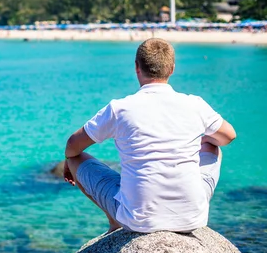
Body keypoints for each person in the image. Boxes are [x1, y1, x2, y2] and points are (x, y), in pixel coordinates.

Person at [63, 38, 236, 234]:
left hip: (138, 220)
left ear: (137, 67)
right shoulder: (195, 104)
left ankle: (114, 220)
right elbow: (228, 136)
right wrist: (204, 140)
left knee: (75, 158)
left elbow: (72, 146)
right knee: (214, 146)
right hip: (192, 217)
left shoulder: (119, 109)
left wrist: (69, 163)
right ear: (171, 69)